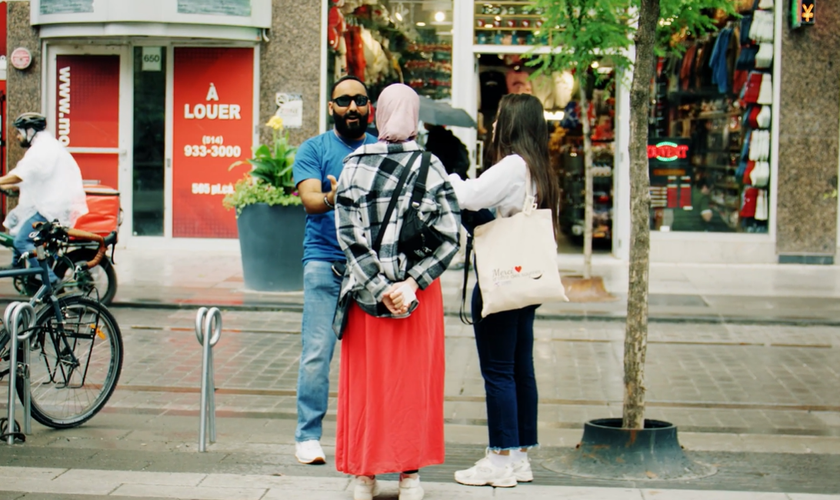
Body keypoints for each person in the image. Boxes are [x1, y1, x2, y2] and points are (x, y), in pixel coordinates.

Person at [333, 83, 460, 500]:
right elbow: (450, 236)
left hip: (367, 300)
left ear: (377, 114)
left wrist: (379, 285)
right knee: (412, 387)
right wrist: (410, 283)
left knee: (367, 386)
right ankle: (410, 478)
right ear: (415, 116)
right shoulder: (432, 165)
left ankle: (364, 476)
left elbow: (349, 238)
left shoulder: (353, 165)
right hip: (416, 301)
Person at [446, 94, 561, 488]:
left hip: (501, 279)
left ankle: (498, 460)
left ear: (509, 122)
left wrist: (449, 177)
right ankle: (519, 456)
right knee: (519, 368)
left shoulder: (513, 165)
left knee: (497, 371)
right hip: (527, 279)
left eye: (498, 119)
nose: (494, 126)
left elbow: (467, 196)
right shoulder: (541, 168)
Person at [291, 75, 377, 465]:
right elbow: (310, 200)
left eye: (360, 100)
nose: (353, 108)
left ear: (369, 105)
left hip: (372, 267)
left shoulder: (381, 148)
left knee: (373, 358)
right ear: (331, 108)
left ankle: (369, 435)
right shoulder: (315, 148)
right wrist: (334, 194)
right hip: (325, 263)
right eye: (344, 102)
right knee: (316, 354)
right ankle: (307, 436)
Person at [0, 112, 88, 284]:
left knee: (23, 240)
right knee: (17, 223)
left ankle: (52, 282)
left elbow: (20, 175)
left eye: (19, 132)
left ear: (30, 130)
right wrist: (5, 185)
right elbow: (28, 177)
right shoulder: (43, 146)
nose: (18, 137)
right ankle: (18, 265)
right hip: (49, 204)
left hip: (51, 208)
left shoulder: (42, 149)